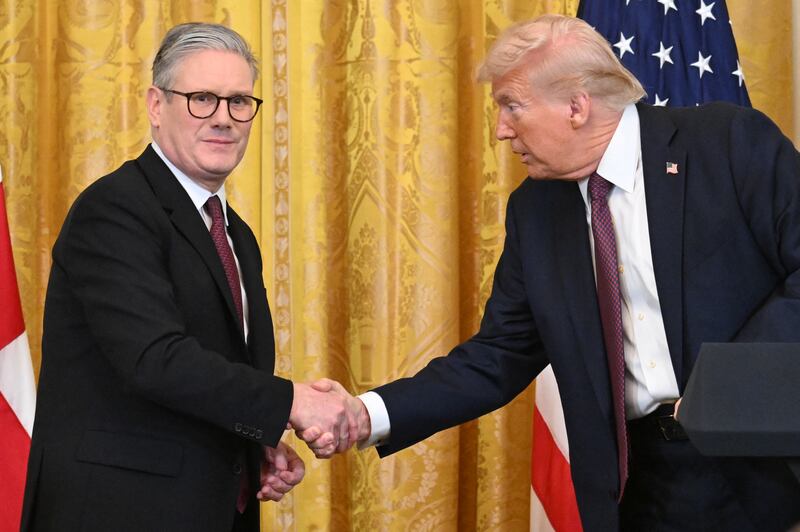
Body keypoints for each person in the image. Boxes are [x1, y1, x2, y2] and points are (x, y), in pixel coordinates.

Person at [301, 14, 800, 532]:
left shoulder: (726, 144)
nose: (500, 130)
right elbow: (499, 354)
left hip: (761, 464)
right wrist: (366, 414)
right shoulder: (536, 210)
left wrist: (724, 388)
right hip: (637, 485)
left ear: (577, 106)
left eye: (511, 106)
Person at [21, 23, 358, 532]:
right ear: (157, 106)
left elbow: (215, 372)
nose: (223, 119)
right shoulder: (114, 209)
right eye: (202, 99)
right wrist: (293, 402)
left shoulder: (234, 232)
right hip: (117, 513)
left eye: (239, 102)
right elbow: (156, 359)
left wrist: (252, 447)